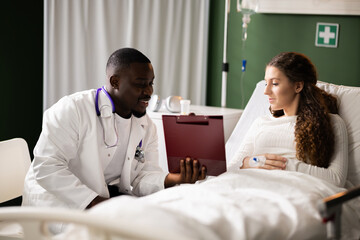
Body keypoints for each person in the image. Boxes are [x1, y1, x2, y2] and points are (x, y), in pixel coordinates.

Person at [23, 48, 207, 212]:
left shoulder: (147, 126)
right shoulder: (73, 109)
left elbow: (142, 178)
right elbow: (46, 167)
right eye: (141, 84)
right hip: (53, 204)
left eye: (151, 83)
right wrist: (97, 204)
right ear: (115, 82)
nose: (149, 92)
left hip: (101, 200)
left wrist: (174, 179)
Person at [227, 52, 348, 187]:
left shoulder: (331, 123)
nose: (266, 91)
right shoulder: (261, 123)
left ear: (298, 86)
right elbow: (232, 167)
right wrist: (255, 162)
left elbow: (336, 179)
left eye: (274, 83)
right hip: (247, 186)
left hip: (291, 191)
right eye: (266, 83)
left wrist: (285, 165)